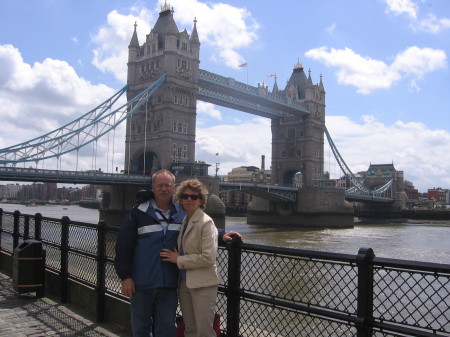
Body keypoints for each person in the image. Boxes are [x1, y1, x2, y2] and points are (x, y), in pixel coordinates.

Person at [114, 169, 241, 337]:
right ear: (153, 187)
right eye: (160, 185)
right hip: (142, 282)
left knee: (166, 329)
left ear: (174, 188)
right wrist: (126, 277)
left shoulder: (181, 213)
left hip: (170, 282)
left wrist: (220, 235)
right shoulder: (138, 212)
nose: (164, 189)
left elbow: (199, 226)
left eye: (168, 185)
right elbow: (123, 247)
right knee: (141, 329)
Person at [161, 178, 220, 337]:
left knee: (204, 331)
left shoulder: (206, 223)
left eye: (194, 197)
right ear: (180, 199)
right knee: (190, 329)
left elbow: (208, 258)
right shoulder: (185, 220)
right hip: (185, 283)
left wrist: (178, 259)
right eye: (185, 196)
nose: (189, 199)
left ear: (201, 200)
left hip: (203, 284)